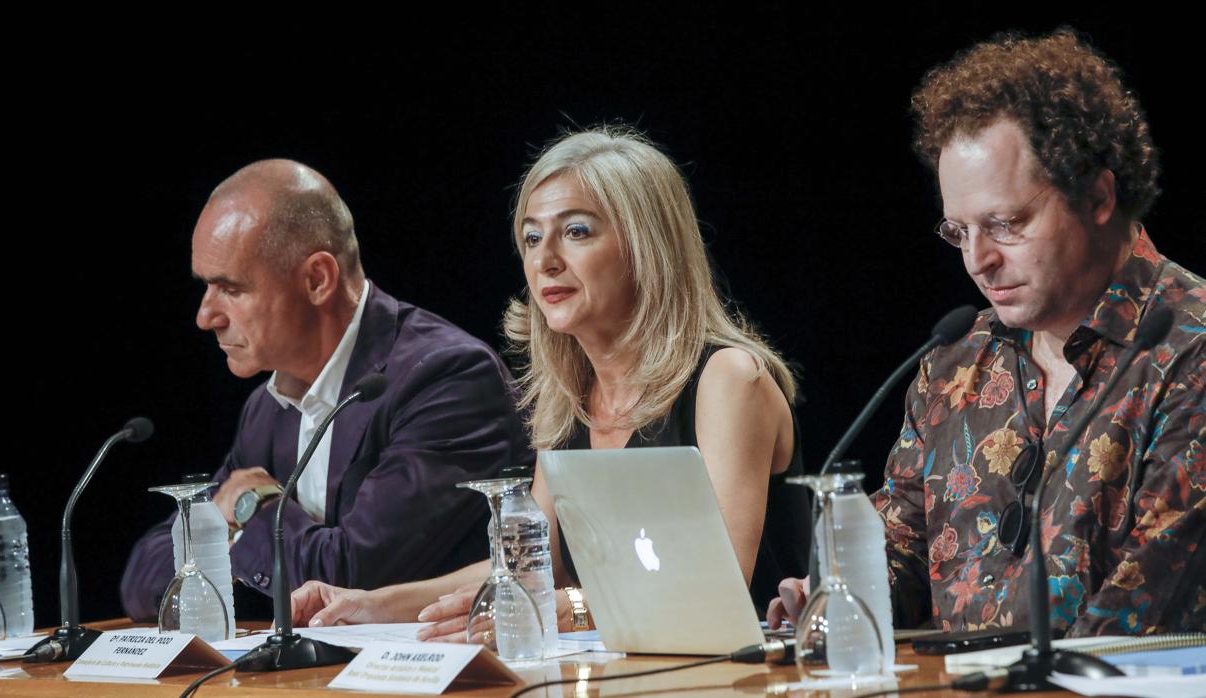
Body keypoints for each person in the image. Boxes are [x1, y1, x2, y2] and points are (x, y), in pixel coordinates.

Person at [289, 127, 812, 635]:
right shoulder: (570, 402)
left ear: (647, 245)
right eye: (532, 237)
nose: (545, 260)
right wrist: (373, 605)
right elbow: (531, 572)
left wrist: (575, 608)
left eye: (577, 231)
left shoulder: (728, 379)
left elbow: (715, 586)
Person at [769, 29, 1204, 636]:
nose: (978, 261)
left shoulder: (1189, 349)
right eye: (958, 232)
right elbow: (904, 544)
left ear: (1099, 196)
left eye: (1004, 224)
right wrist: (836, 598)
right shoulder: (954, 361)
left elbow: (1143, 608)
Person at [120, 160, 532, 621]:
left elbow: (352, 577)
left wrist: (247, 506)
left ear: (317, 279)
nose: (205, 316)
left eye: (230, 289)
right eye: (206, 287)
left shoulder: (446, 378)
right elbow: (144, 580)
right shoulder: (267, 408)